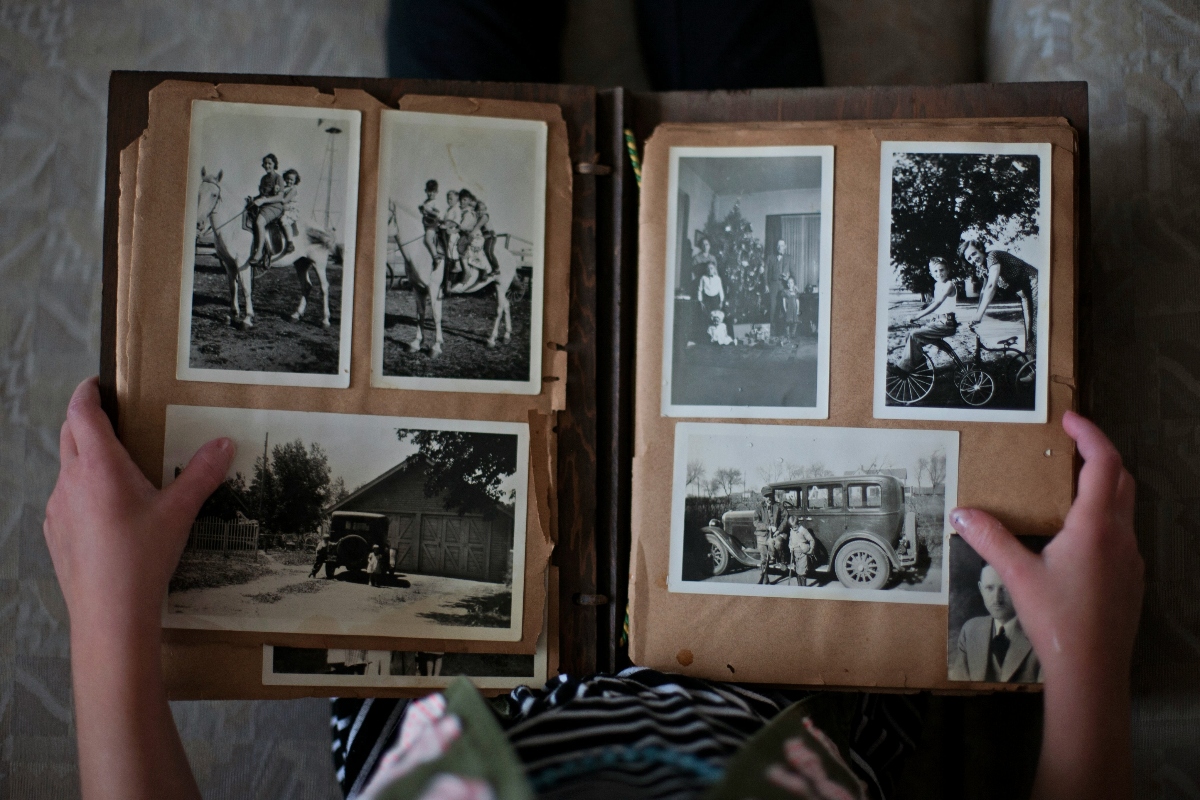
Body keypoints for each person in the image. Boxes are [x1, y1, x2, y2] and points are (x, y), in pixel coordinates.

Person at [44, 377, 1143, 799]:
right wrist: (1087, 670)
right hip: (776, 680)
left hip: (441, 690)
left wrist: (108, 617)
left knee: (458, 59)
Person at [950, 563, 1042, 683]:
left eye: (1005, 588)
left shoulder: (1041, 637)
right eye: (989, 588)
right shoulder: (970, 630)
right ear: (981, 589)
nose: (997, 599)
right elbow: (959, 687)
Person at [958, 238, 1039, 355]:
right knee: (1029, 328)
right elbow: (984, 291)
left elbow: (992, 285)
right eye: (969, 258)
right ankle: (1032, 366)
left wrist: (979, 315)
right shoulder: (983, 268)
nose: (973, 259)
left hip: (1035, 283)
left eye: (974, 253)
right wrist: (976, 314)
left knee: (1035, 326)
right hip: (1025, 293)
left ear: (980, 249)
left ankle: (1038, 365)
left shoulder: (992, 256)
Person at [898, 256, 960, 371]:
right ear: (931, 273)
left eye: (942, 270)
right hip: (938, 321)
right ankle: (921, 367)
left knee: (914, 335)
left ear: (948, 271)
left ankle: (904, 368)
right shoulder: (937, 285)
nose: (939, 273)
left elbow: (938, 303)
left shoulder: (949, 285)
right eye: (935, 271)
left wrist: (917, 316)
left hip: (946, 324)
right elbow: (934, 304)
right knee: (909, 336)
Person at [248, 153, 286, 266]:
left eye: (270, 163)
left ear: (274, 164)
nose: (267, 165)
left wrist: (263, 200)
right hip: (264, 205)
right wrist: (253, 199)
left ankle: (259, 252)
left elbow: (280, 197)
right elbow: (262, 195)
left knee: (259, 222)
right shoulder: (263, 179)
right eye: (265, 163)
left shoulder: (278, 178)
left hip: (275, 206)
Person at [417, 179, 443, 264]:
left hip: (432, 224)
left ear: (436, 192)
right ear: (426, 191)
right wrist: (421, 210)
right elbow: (424, 212)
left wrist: (428, 210)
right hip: (425, 223)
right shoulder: (425, 202)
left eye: (433, 191)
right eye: (429, 191)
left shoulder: (436, 202)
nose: (431, 193)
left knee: (428, 239)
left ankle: (436, 258)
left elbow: (437, 214)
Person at [781, 275, 802, 340]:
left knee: (795, 322)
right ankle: (787, 335)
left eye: (791, 282)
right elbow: (784, 301)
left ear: (793, 284)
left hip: (794, 309)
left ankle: (793, 334)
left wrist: (798, 309)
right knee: (788, 322)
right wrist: (785, 308)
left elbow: (797, 301)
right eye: (789, 283)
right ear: (787, 284)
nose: (790, 284)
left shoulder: (795, 292)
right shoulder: (785, 291)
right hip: (788, 309)